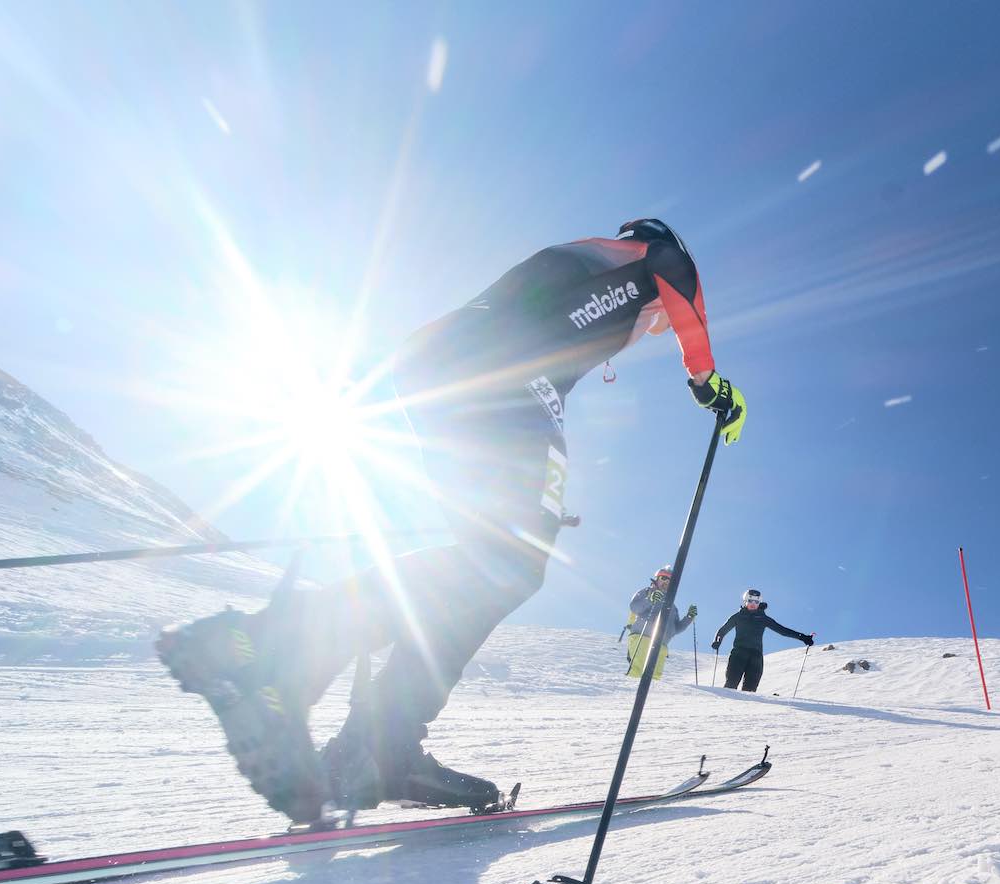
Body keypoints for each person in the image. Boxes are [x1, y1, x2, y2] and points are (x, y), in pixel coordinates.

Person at [158, 218, 746, 821]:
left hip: (443, 367)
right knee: (505, 567)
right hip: (509, 376)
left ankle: (358, 728)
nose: (648, 329)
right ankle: (303, 674)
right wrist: (709, 385)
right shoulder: (657, 255)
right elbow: (681, 288)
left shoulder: (585, 268)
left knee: (478, 567)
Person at [711, 589, 813, 691]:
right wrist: (717, 641)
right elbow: (723, 630)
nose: (753, 604)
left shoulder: (763, 618)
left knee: (750, 690)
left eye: (756, 602)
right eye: (750, 601)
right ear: (745, 601)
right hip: (738, 654)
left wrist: (803, 637)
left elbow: (782, 630)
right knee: (730, 685)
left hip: (756, 657)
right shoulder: (738, 617)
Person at [625, 567, 696, 679]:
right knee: (638, 673)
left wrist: (689, 617)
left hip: (661, 645)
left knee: (654, 679)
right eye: (663, 578)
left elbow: (676, 628)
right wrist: (650, 599)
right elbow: (634, 607)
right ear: (656, 579)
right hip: (642, 638)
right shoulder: (648, 592)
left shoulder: (672, 606)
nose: (666, 582)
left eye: (670, 581)